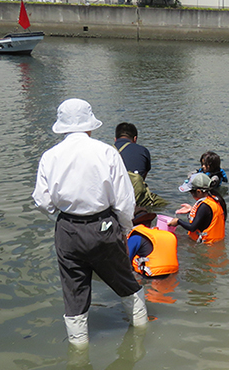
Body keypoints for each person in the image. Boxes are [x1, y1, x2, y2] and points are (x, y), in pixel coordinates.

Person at [32, 98, 148, 347]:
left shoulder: (50, 156)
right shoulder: (106, 152)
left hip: (67, 229)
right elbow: (125, 201)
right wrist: (125, 228)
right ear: (90, 126)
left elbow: (42, 201)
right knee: (126, 283)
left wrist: (62, 213)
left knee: (74, 294)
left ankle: (78, 354)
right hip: (103, 226)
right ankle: (141, 338)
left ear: (62, 126)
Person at [115, 122, 165, 208]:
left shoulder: (105, 151)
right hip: (134, 198)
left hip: (111, 197)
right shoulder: (142, 150)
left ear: (115, 139)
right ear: (135, 138)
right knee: (163, 204)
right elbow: (142, 178)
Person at [168, 173, 227, 244]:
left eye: (191, 192)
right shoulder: (215, 199)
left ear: (199, 191)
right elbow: (207, 216)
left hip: (206, 246)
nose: (191, 194)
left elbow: (192, 227)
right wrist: (192, 209)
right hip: (215, 243)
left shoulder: (204, 206)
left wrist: (178, 221)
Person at [127, 208, 179, 278]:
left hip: (150, 277)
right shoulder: (167, 235)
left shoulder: (136, 237)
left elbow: (125, 261)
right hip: (171, 275)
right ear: (149, 223)